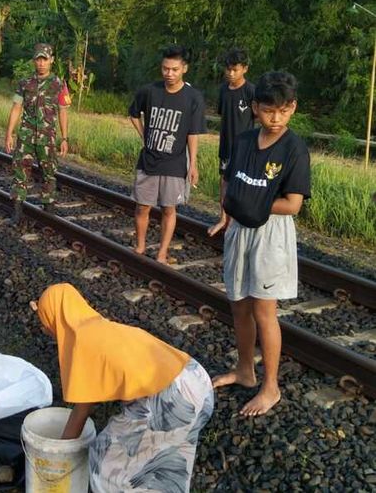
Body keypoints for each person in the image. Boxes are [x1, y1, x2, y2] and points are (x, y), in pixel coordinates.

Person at [33, 283, 214, 492]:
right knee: (169, 458)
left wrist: (57, 458)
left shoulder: (80, 342)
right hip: (197, 379)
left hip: (173, 398)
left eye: (44, 319)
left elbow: (81, 413)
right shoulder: (98, 325)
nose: (44, 327)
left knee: (106, 459)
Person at [211, 72, 311, 416]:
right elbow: (229, 180)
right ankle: (244, 370)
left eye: (283, 111)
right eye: (269, 111)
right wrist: (227, 214)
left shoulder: (294, 148)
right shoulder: (243, 140)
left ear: (293, 109)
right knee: (239, 303)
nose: (275, 119)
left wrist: (252, 202)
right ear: (256, 108)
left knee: (264, 310)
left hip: (271, 233)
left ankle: (271, 387)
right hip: (241, 228)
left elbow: (293, 204)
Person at [128, 44, 206, 263]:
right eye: (165, 69)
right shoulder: (150, 91)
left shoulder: (193, 97)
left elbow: (192, 132)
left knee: (169, 208)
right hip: (149, 160)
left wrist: (193, 164)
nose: (169, 74)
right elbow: (134, 114)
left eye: (174, 69)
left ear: (184, 69)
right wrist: (143, 135)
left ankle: (162, 253)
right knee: (142, 206)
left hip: (175, 162)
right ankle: (141, 246)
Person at [5, 43, 70, 223]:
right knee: (20, 172)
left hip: (47, 137)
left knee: (49, 173)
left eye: (44, 59)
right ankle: (17, 212)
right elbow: (16, 107)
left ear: (52, 60)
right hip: (25, 135)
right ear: (34, 61)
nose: (41, 63)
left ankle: (48, 210)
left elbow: (63, 111)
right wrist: (9, 133)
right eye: (38, 59)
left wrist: (64, 138)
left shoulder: (58, 84)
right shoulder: (25, 83)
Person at [208, 48, 256, 236]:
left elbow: (259, 115)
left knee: (243, 182)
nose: (231, 73)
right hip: (226, 145)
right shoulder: (224, 90)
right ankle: (223, 218)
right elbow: (223, 113)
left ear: (245, 68)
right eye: (228, 69)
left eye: (235, 69)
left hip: (246, 147)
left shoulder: (251, 90)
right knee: (224, 181)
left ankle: (239, 219)